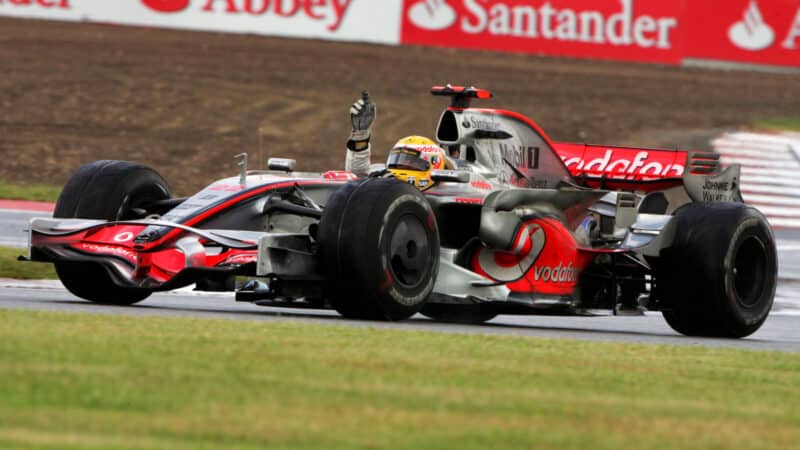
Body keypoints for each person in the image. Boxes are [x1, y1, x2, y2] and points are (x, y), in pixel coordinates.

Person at [345, 91, 450, 191]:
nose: (399, 168)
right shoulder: (382, 175)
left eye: (410, 162)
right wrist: (361, 134)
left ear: (434, 164)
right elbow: (357, 177)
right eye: (397, 160)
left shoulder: (453, 190)